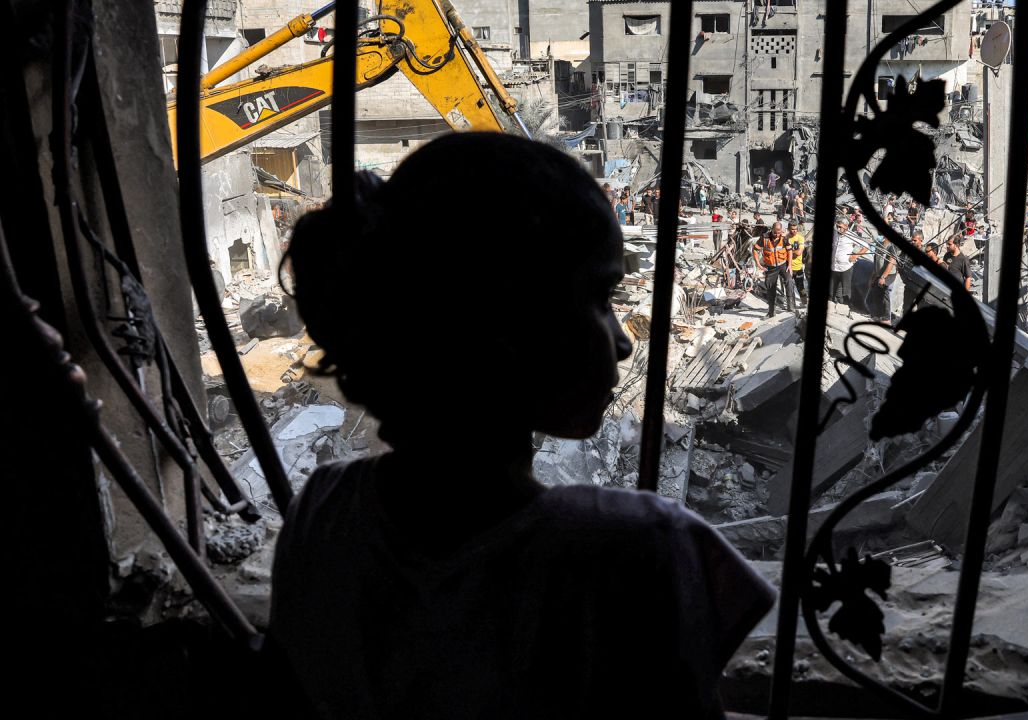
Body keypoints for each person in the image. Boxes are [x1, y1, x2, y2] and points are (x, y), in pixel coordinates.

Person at [273, 133, 775, 719]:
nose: (622, 339)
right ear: (503, 320)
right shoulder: (643, 548)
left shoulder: (322, 513)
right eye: (598, 297)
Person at [754, 222, 795, 318]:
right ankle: (771, 312)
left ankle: (791, 306)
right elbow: (755, 249)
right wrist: (758, 264)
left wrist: (790, 265)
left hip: (783, 265)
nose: (777, 235)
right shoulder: (764, 238)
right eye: (775, 232)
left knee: (789, 281)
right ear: (772, 229)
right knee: (770, 288)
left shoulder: (784, 238)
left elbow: (790, 251)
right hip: (771, 267)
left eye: (779, 232)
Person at [830, 219, 867, 306]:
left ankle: (846, 308)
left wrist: (855, 256)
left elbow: (865, 246)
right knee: (832, 290)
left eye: (840, 227)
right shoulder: (835, 233)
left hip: (846, 267)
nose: (838, 228)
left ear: (846, 226)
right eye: (837, 226)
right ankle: (836, 306)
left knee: (846, 291)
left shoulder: (851, 235)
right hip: (834, 267)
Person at [786, 221, 808, 306]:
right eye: (792, 229)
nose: (795, 231)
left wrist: (789, 251)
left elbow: (799, 252)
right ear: (788, 229)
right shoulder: (785, 238)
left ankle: (804, 303)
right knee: (789, 288)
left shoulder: (800, 238)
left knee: (801, 287)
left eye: (796, 229)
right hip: (788, 267)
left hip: (798, 267)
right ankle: (792, 305)